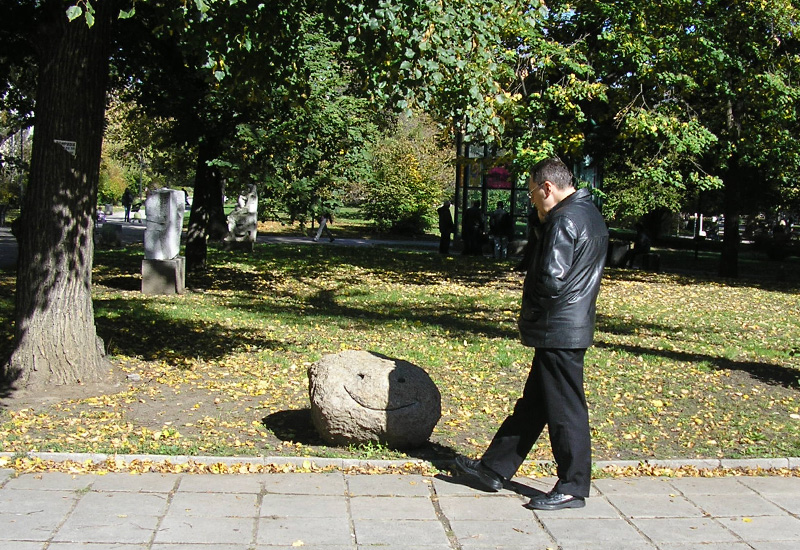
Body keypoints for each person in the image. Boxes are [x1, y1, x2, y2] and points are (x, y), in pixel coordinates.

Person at [455, 158, 608, 511]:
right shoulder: (589, 213)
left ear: (547, 188)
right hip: (570, 326)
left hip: (559, 328)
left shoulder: (564, 220)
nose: (532, 199)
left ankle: (573, 486)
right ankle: (494, 469)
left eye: (532, 192)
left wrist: (533, 311)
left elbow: (551, 279)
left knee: (565, 409)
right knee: (534, 404)